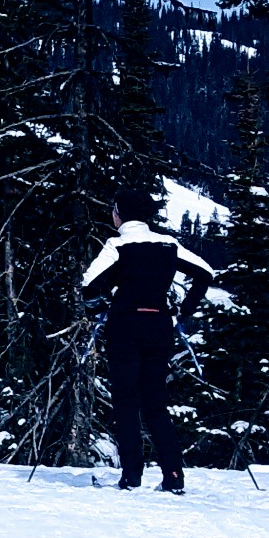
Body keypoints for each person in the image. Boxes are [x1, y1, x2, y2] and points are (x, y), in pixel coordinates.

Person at [81, 185, 218, 493]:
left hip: (125, 328)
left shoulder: (117, 245)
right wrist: (181, 313)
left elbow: (88, 284)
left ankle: (131, 475)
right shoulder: (169, 244)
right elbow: (205, 273)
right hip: (160, 327)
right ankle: (173, 475)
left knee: (126, 401)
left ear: (120, 213)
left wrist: (103, 307)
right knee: (156, 403)